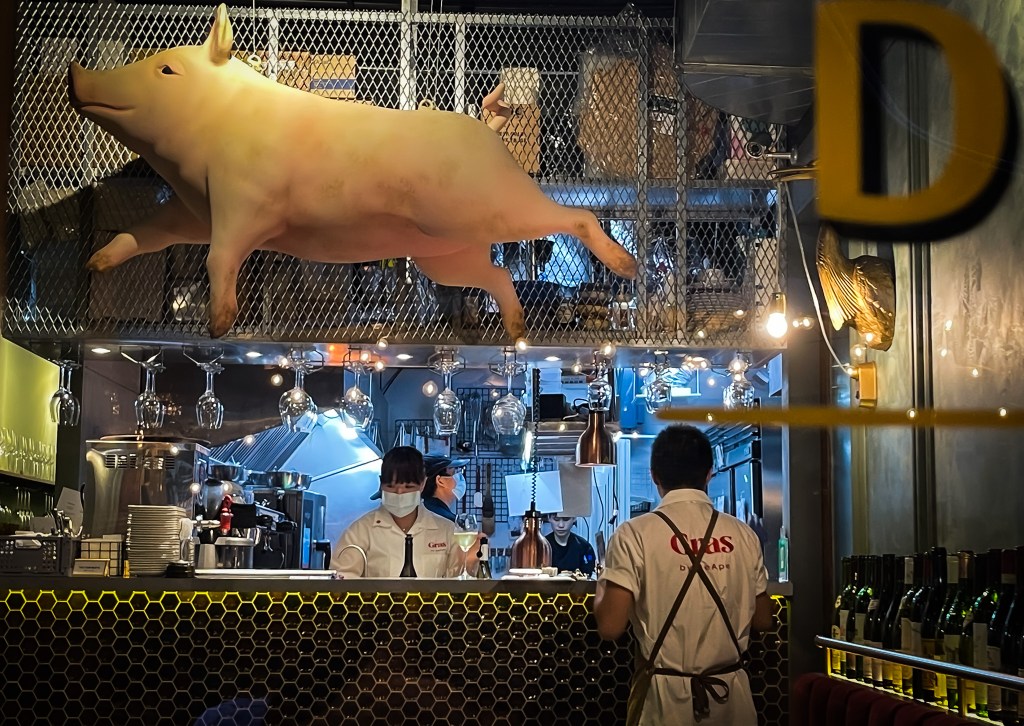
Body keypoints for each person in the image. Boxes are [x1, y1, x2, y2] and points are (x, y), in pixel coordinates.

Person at [594, 425, 772, 725]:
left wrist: (603, 584)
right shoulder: (744, 535)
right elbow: (764, 620)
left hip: (666, 704)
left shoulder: (634, 534)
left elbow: (610, 626)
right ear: (709, 474)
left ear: (654, 476)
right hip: (732, 701)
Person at [331, 446, 466, 578]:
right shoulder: (360, 531)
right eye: (391, 486)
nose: (399, 493)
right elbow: (342, 581)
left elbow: (458, 581)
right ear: (381, 483)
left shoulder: (446, 530)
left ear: (422, 484)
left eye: (408, 487)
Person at [419, 456, 471, 523]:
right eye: (454, 473)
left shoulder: (427, 510)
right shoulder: (446, 520)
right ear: (440, 481)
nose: (460, 477)